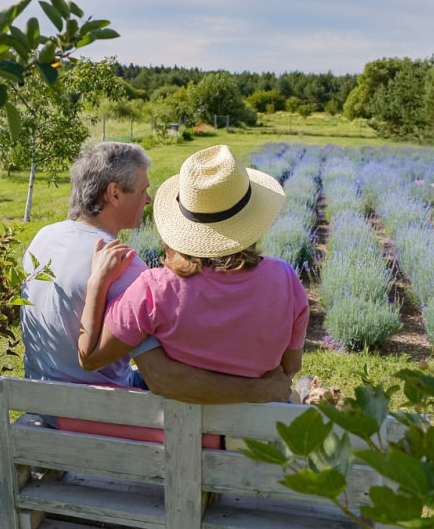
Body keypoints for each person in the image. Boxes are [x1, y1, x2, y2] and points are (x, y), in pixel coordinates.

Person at [20, 141, 292, 405]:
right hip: (100, 411)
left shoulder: (43, 239)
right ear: (114, 194)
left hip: (42, 400)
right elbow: (165, 379)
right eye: (143, 190)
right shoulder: (127, 269)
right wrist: (261, 389)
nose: (148, 199)